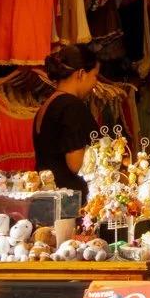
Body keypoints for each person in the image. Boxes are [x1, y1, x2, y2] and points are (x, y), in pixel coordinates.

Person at [33, 44, 102, 197]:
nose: (95, 83)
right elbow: (77, 165)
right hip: (69, 204)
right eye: (95, 76)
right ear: (82, 74)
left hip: (48, 200)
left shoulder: (48, 104)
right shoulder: (72, 107)